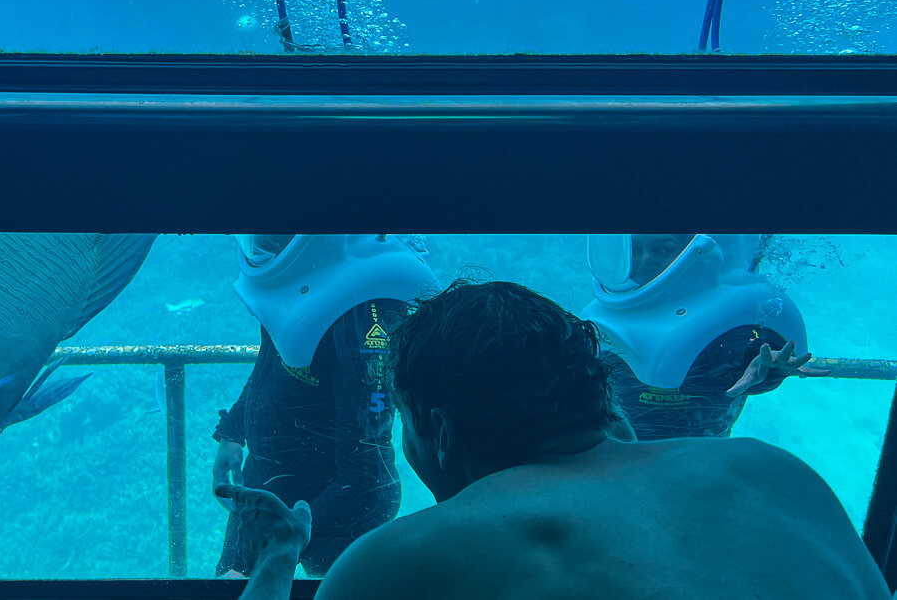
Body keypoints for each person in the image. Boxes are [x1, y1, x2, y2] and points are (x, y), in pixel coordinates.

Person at [217, 279, 889, 600]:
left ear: (439, 431)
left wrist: (277, 561)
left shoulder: (395, 565)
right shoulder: (778, 477)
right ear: (596, 396)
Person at [211, 234, 438, 577]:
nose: (265, 242)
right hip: (275, 484)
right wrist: (233, 433)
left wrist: (288, 535)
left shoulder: (362, 307)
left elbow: (367, 474)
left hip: (330, 500)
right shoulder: (307, 281)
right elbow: (272, 363)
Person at [581, 234, 829, 440]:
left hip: (699, 452)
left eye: (663, 249)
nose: (645, 260)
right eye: (635, 250)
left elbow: (749, 354)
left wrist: (769, 369)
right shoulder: (608, 311)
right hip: (617, 448)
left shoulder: (727, 314)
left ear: (694, 252)